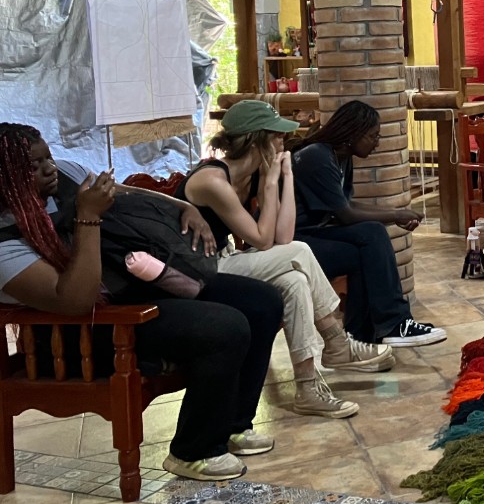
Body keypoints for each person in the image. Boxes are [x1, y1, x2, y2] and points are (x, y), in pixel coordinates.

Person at [0, 123, 283, 482]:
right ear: (5, 176)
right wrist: (88, 217)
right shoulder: (4, 241)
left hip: (127, 289)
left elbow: (123, 192)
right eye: (32, 166)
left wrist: (182, 205)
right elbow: (74, 300)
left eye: (48, 158)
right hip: (86, 331)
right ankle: (192, 451)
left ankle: (232, 425)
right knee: (224, 325)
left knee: (260, 301)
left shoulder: (67, 176)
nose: (49, 168)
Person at [177, 100, 392, 420]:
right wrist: (270, 180)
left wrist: (284, 177)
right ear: (256, 139)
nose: (283, 142)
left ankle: (308, 389)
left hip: (226, 261)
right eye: (277, 136)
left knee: (294, 279)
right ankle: (336, 342)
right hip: (200, 270)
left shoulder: (251, 176)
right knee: (302, 253)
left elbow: (284, 236)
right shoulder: (213, 180)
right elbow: (263, 240)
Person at [291, 100, 445, 347]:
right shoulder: (317, 156)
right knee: (371, 235)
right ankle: (395, 323)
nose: (377, 143)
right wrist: (395, 215)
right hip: (294, 241)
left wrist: (396, 211)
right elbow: (346, 215)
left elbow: (346, 206)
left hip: (315, 234)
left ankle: (361, 334)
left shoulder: (341, 156)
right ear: (353, 134)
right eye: (373, 136)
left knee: (365, 249)